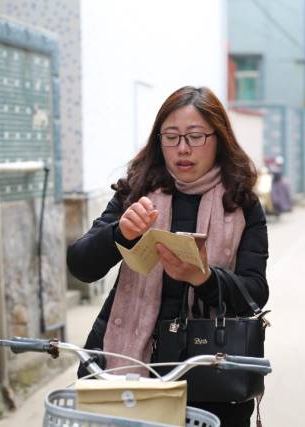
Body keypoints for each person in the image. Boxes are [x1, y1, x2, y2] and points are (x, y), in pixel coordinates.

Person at [66, 86, 269, 427]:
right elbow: (81, 266)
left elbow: (255, 292)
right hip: (126, 371)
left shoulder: (240, 202)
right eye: (171, 137)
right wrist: (120, 234)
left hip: (210, 377)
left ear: (218, 139)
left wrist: (203, 277)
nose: (182, 149)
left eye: (195, 136)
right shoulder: (137, 191)